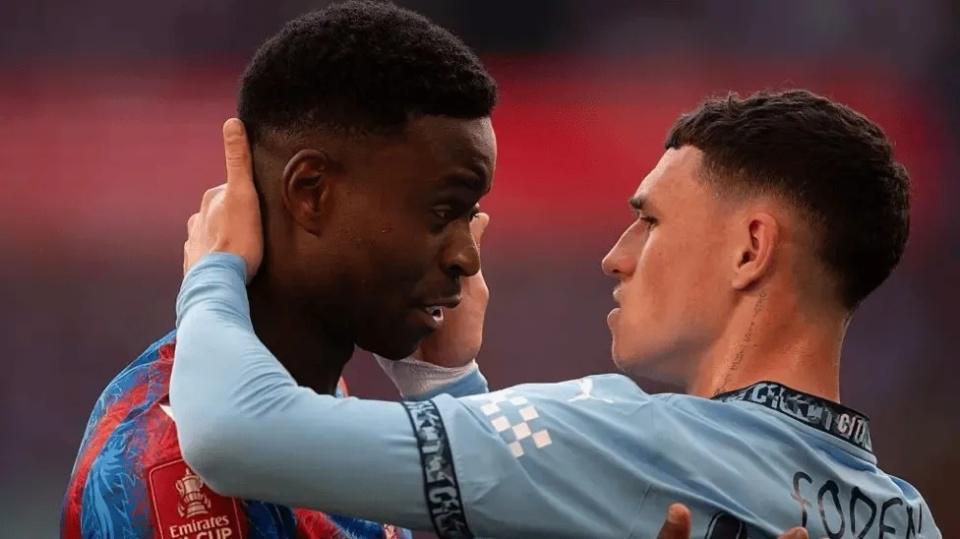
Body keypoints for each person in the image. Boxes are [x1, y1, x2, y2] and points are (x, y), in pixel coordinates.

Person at [172, 89, 942, 538]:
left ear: (750, 249)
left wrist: (214, 271)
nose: (616, 256)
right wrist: (445, 382)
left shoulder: (632, 439)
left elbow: (235, 432)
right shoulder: (906, 517)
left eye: (649, 220)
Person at [60, 2, 498, 537]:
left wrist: (446, 386)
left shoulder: (310, 406)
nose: (466, 257)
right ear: (311, 192)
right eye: (442, 212)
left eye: (470, 215)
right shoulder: (173, 471)